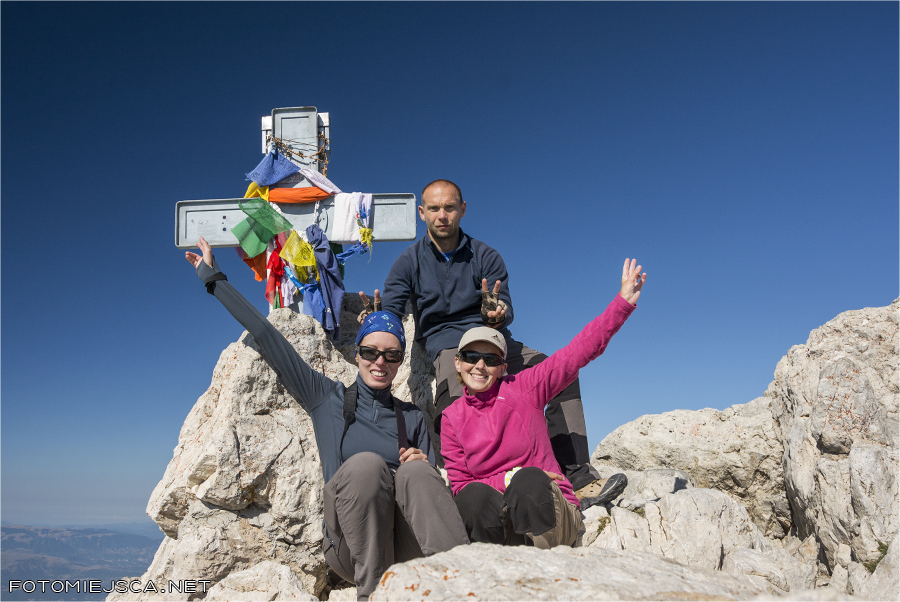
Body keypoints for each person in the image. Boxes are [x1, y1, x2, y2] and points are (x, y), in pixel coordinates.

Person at [185, 237, 468, 601]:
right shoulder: (326, 397)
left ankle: (464, 585)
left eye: (391, 355)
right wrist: (214, 278)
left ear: (399, 362)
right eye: (370, 351)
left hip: (407, 543)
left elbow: (431, 496)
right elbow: (266, 335)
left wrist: (424, 467)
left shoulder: (411, 417)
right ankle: (373, 595)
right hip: (351, 547)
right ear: (357, 354)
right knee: (366, 466)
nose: (379, 362)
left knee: (417, 471)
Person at [362, 179, 626, 508]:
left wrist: (495, 316)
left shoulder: (485, 256)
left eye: (449, 207)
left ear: (462, 209)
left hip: (495, 340)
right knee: (455, 399)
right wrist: (374, 324)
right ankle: (469, 493)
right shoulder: (407, 263)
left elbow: (505, 309)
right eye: (434, 208)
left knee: (560, 374)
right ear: (421, 212)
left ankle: (578, 478)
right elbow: (392, 310)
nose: (442, 215)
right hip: (448, 348)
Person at [443, 259, 646, 548]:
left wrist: (622, 304)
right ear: (458, 363)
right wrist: (508, 478)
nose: (480, 366)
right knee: (474, 498)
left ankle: (547, 572)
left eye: (491, 359)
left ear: (502, 367)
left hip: (551, 515)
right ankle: (494, 570)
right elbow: (461, 487)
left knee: (529, 482)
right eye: (471, 356)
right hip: (504, 525)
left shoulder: (524, 388)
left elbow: (577, 352)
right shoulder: (452, 417)